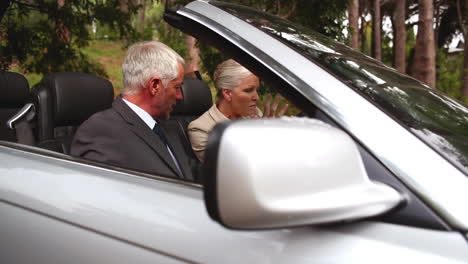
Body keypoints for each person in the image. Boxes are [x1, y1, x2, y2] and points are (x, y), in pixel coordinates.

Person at [71, 41, 194, 181]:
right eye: (177, 87)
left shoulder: (168, 127)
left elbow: (189, 172)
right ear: (155, 86)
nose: (180, 96)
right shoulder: (101, 132)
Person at [188, 59, 288, 162]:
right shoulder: (201, 128)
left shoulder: (254, 113)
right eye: (248, 90)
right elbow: (226, 168)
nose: (256, 97)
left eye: (256, 90)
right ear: (227, 93)